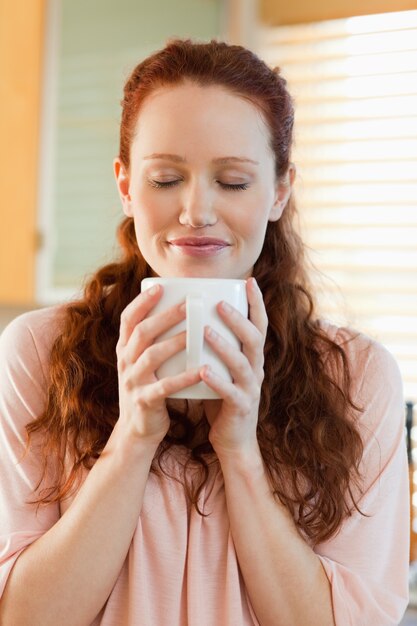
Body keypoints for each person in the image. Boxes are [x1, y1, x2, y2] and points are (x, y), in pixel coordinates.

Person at [0, 38, 410, 626]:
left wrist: (240, 452)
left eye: (234, 182)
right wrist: (133, 441)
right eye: (166, 179)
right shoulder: (37, 354)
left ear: (280, 190)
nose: (196, 210)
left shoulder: (359, 376)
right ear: (125, 185)